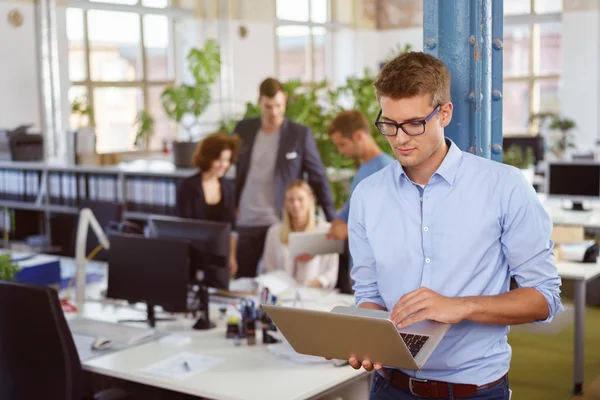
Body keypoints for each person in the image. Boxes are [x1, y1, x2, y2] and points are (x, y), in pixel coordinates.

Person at [347, 52, 563, 399]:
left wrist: (460, 307)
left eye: (414, 123)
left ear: (443, 113)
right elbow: (369, 295)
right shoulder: (367, 196)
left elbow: (544, 298)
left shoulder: (504, 186)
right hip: (390, 388)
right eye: (389, 124)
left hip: (475, 391)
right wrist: (365, 337)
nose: (400, 139)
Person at [232, 77, 336, 278]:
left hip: (279, 224)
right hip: (246, 221)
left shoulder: (299, 135)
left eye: (278, 105)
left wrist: (332, 220)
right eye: (268, 106)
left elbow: (318, 178)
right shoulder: (243, 130)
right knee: (245, 283)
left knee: (279, 282)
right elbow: (228, 168)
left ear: (285, 101)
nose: (274, 112)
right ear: (259, 102)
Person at [176, 133, 239, 277]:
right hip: (192, 257)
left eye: (227, 160)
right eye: (219, 160)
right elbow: (182, 227)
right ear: (207, 157)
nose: (224, 165)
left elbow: (232, 228)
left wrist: (232, 257)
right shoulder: (188, 187)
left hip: (219, 255)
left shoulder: (228, 188)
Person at [326, 110, 393, 241]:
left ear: (358, 136)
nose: (341, 151)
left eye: (342, 144)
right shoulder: (363, 170)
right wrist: (339, 222)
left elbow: (390, 220)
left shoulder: (386, 169)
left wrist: (348, 228)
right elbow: (350, 211)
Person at [261, 180, 338, 289]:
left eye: (300, 199)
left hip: (315, 295)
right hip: (281, 294)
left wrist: (305, 286)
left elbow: (330, 275)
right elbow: (268, 267)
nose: (295, 204)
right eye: (290, 200)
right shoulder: (274, 232)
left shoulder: (326, 231)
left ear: (310, 199)